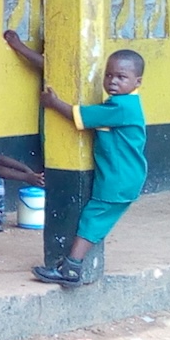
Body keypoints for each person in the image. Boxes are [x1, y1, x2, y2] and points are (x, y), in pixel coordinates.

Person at [32, 50, 147, 287]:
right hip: (124, 176)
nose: (112, 81)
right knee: (96, 220)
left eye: (121, 77)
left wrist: (54, 103)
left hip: (119, 178)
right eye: (108, 75)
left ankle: (72, 268)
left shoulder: (122, 107)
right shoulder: (121, 103)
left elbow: (79, 116)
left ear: (138, 82)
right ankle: (71, 266)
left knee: (92, 220)